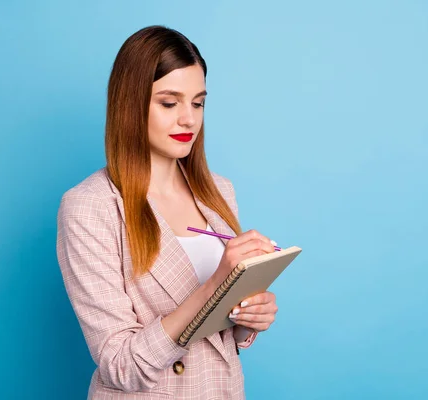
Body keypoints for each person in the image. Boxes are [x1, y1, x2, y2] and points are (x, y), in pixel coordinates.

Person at [56, 25, 279, 399]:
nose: (189, 119)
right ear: (131, 103)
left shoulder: (219, 191)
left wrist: (247, 318)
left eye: (198, 102)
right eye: (169, 102)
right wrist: (214, 287)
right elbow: (120, 364)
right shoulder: (90, 207)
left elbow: (220, 340)